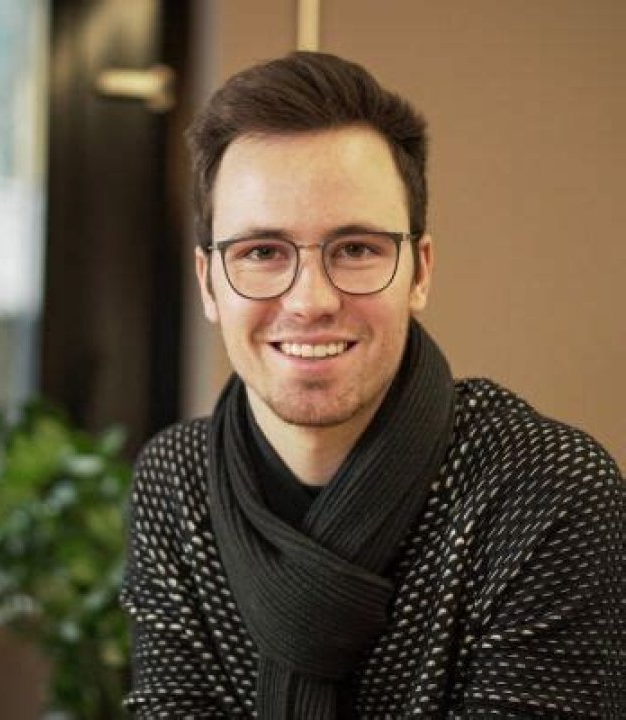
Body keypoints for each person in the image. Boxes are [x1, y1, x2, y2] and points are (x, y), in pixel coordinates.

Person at [120, 51, 624, 719]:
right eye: (261, 252)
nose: (310, 301)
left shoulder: (549, 490)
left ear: (420, 271)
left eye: (356, 249)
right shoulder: (176, 480)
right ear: (208, 282)